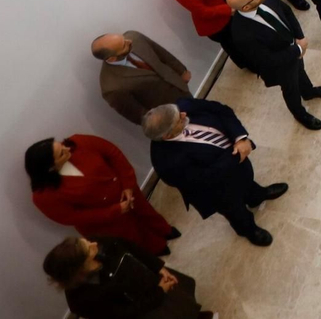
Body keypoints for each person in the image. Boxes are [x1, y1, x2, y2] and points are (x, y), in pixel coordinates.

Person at [144, 100, 286, 248]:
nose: (184, 114)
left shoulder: (181, 107)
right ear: (167, 135)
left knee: (248, 183)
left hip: (237, 167)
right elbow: (205, 178)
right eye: (179, 119)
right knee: (236, 212)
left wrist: (240, 138)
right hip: (218, 191)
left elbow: (221, 110)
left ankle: (257, 196)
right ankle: (248, 230)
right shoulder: (166, 162)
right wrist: (238, 154)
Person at [27, 136, 175, 255]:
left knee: (146, 212)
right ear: (51, 168)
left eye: (60, 144)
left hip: (125, 190)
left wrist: (128, 185)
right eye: (61, 153)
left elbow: (113, 153)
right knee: (131, 236)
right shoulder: (43, 195)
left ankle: (164, 230)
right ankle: (154, 249)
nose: (67, 148)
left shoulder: (78, 142)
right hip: (105, 220)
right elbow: (73, 217)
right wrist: (114, 211)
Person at [225, 0, 321, 130]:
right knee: (291, 89)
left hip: (294, 46)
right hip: (280, 65)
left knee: (301, 71)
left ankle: (308, 92)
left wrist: (299, 37)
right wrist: (297, 49)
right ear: (245, 7)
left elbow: (286, 11)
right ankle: (300, 114)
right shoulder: (242, 35)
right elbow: (268, 59)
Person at [41, 235, 211, 319]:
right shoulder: (83, 300)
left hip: (150, 280)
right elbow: (125, 315)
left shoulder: (100, 243)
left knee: (181, 300)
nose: (94, 244)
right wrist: (160, 292)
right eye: (89, 249)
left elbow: (131, 247)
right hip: (145, 306)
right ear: (80, 268)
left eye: (87, 241)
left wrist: (158, 267)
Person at [92, 32, 191, 125]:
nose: (129, 41)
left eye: (124, 39)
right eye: (124, 45)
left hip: (181, 88)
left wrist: (181, 70)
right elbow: (138, 114)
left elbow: (161, 52)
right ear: (112, 58)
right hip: (171, 114)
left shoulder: (135, 36)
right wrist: (166, 123)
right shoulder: (111, 87)